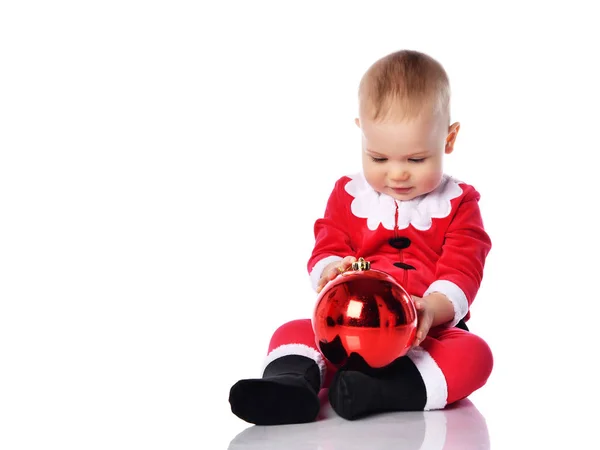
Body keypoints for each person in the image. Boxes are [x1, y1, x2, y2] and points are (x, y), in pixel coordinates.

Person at [228, 49, 493, 426]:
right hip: (347, 329)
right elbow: (329, 243)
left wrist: (431, 309)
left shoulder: (461, 203)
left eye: (416, 160)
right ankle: (290, 385)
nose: (397, 174)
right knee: (291, 331)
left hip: (422, 336)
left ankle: (386, 390)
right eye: (379, 158)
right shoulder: (349, 195)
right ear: (361, 134)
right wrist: (334, 270)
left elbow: (463, 270)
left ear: (448, 140)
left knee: (474, 354)